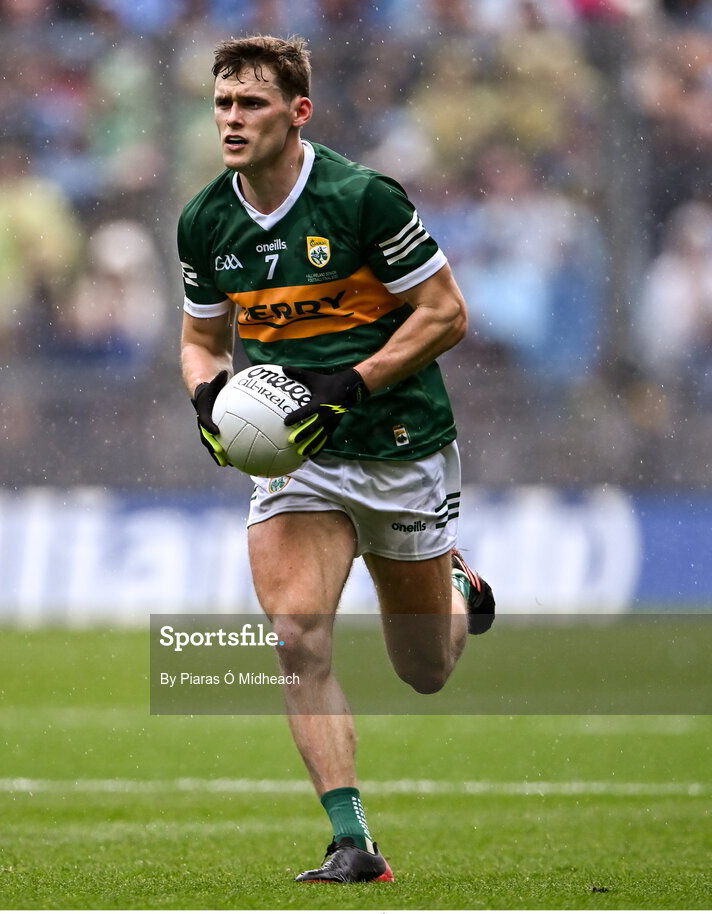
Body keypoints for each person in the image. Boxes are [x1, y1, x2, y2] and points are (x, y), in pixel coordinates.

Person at [178, 35, 496, 884]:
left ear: (298, 112)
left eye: (250, 104)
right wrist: (210, 400)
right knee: (293, 636)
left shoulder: (362, 199)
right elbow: (202, 341)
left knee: (424, 670)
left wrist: (346, 386)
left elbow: (445, 314)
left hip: (397, 445)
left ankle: (459, 587)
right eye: (222, 104)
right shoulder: (206, 220)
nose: (232, 120)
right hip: (298, 457)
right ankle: (351, 840)